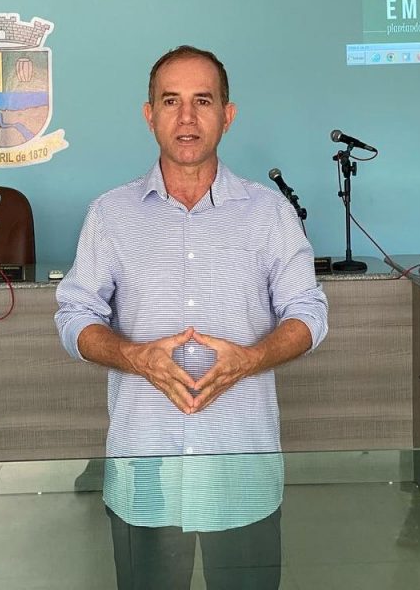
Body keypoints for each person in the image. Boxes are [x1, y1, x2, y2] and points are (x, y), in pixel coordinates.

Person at [55, 45, 329, 589]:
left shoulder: (270, 213)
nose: (186, 117)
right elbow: (74, 313)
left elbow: (309, 312)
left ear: (227, 114)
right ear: (149, 114)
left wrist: (253, 358)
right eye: (170, 101)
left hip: (240, 467)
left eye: (202, 101)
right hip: (145, 468)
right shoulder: (110, 214)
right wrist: (132, 355)